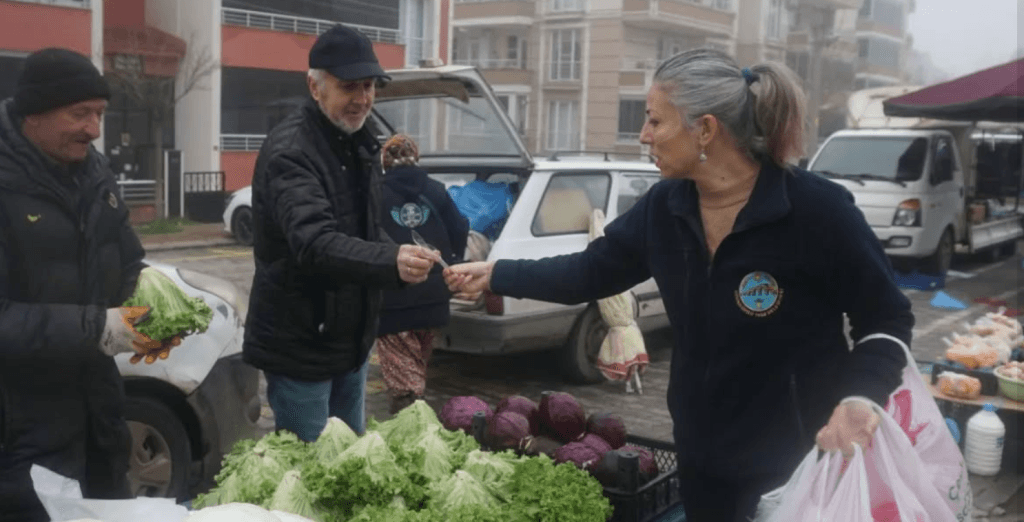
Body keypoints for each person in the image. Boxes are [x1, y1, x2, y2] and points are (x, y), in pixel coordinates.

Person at [444, 48, 914, 522]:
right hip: (700, 455)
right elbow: (592, 271)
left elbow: (887, 316)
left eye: (655, 121)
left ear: (705, 129)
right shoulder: (665, 207)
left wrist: (862, 397)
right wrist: (498, 274)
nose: (644, 135)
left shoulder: (817, 212)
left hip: (798, 460)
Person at [243, 25, 441, 442]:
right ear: (315, 87)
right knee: (311, 475)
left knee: (351, 464)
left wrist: (406, 259)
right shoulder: (292, 152)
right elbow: (314, 243)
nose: (363, 98)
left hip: (349, 345)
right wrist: (390, 261)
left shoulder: (358, 143)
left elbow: (363, 234)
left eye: (369, 86)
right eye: (350, 87)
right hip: (301, 347)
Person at [0, 48, 172, 522]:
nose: (94, 130)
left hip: (100, 418)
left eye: (99, 114)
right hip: (19, 438)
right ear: (33, 112)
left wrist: (154, 308)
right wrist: (98, 328)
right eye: (80, 114)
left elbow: (129, 260)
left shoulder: (94, 173)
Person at [375, 134, 469, 414]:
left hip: (392, 298)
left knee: (405, 383)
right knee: (417, 365)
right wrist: (452, 262)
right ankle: (416, 421)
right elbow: (461, 227)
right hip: (434, 295)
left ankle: (412, 426)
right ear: (416, 157)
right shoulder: (437, 190)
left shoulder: (374, 192)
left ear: (385, 161)